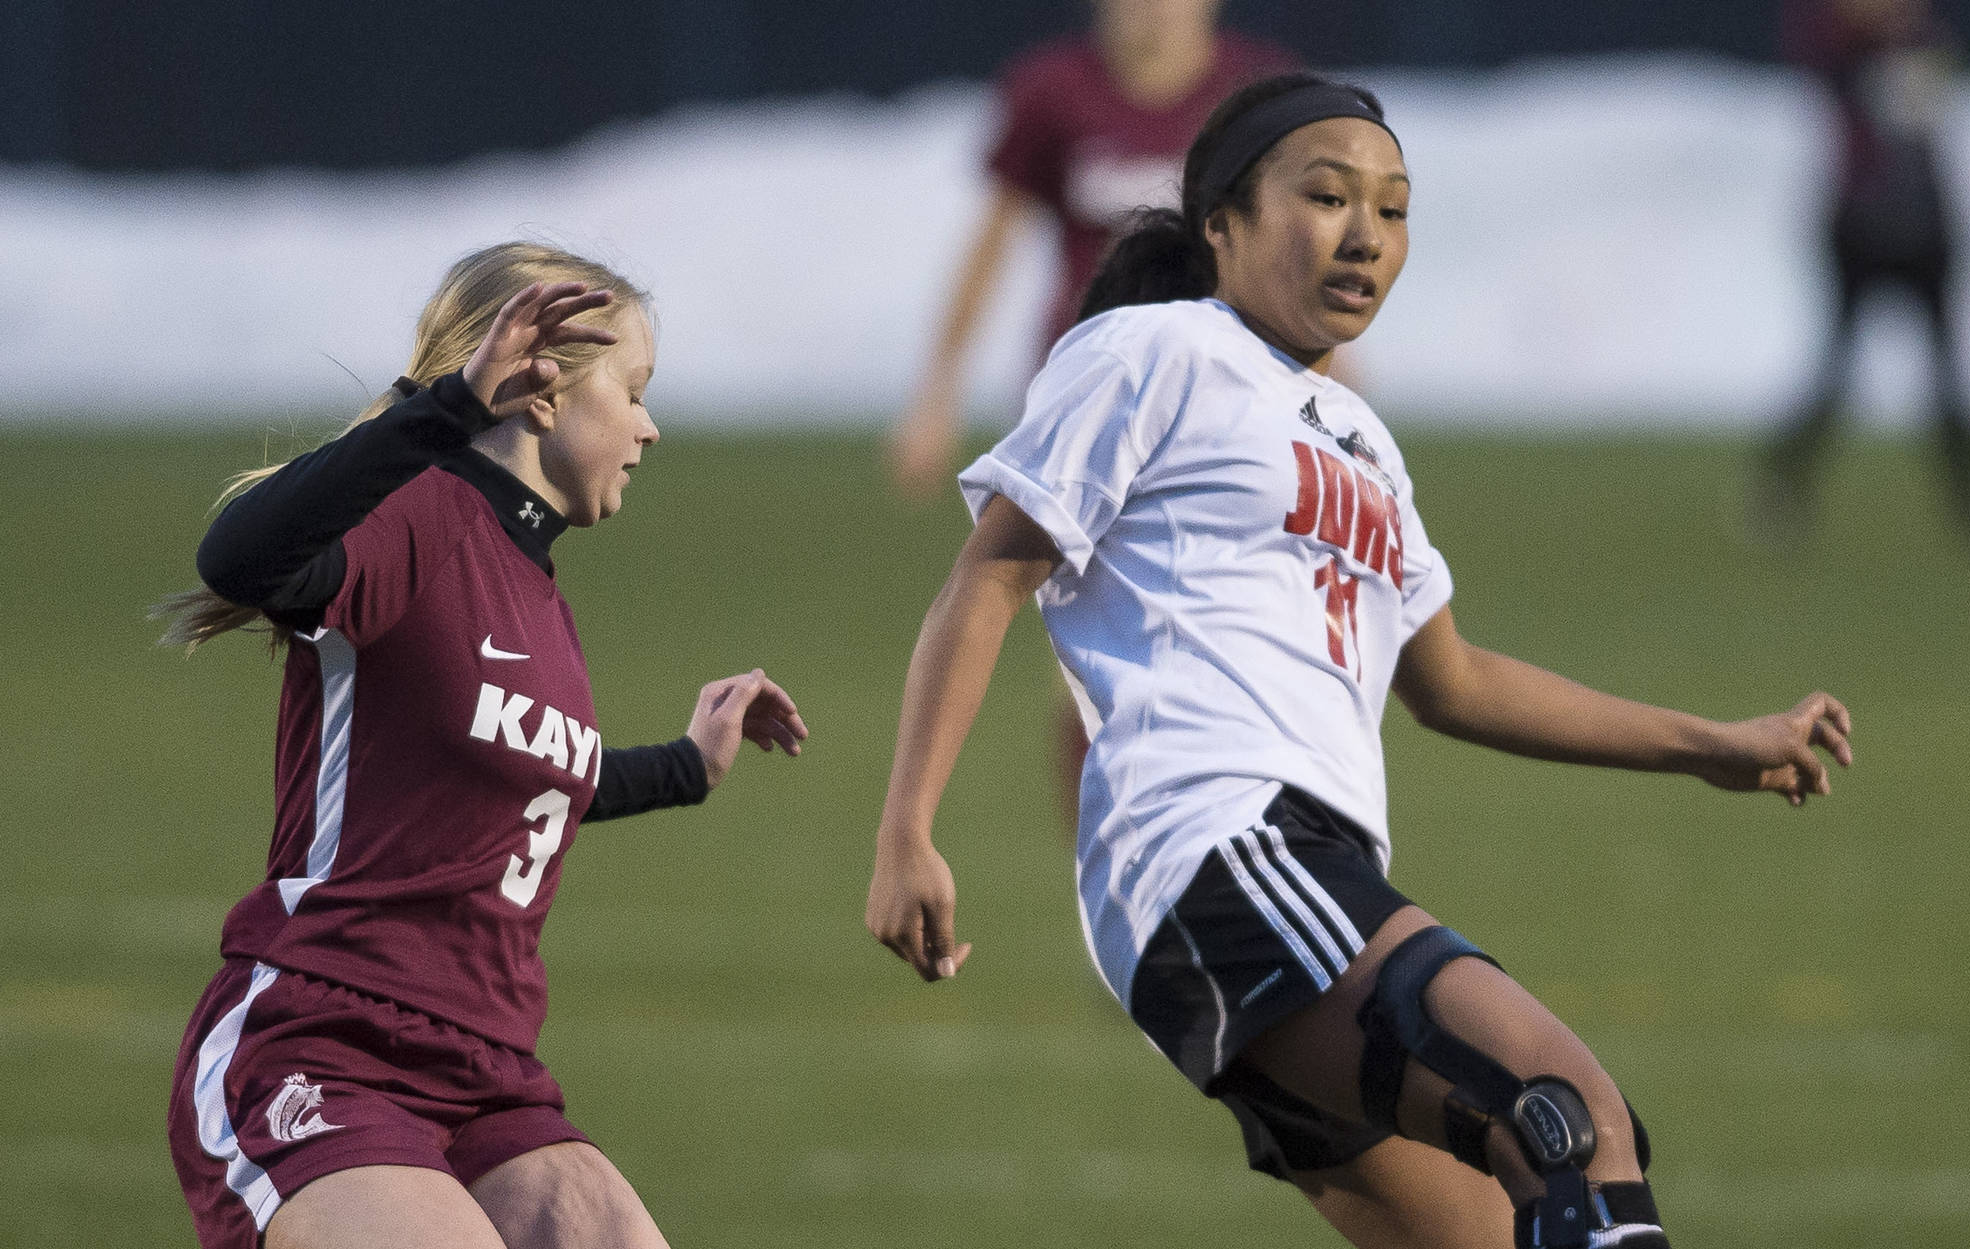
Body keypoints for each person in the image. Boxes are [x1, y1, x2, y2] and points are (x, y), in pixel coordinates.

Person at [865, 75, 1854, 1248]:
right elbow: (991, 570)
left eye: (1391, 209)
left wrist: (1712, 747)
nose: (1365, 234)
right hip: (1220, 848)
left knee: (1505, 1224)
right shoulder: (1153, 347)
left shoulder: (1360, 440)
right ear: (1219, 224)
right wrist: (906, 829)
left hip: (1299, 877)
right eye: (1325, 196)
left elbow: (1454, 682)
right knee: (1565, 1122)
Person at [158, 242, 808, 1249]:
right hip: (322, 1044)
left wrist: (688, 764)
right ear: (541, 395)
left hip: (483, 1076)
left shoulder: (535, 586)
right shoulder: (419, 516)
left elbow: (526, 781)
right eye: (632, 391)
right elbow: (239, 557)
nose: (649, 426)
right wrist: (445, 408)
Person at [889, 0, 1292, 498]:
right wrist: (938, 395)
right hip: (1085, 374)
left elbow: (1290, 246)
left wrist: (1328, 364)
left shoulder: (1260, 91)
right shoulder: (1052, 91)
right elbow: (991, 247)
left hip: (1224, 379)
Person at [1761, 0, 1970, 544]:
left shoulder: (1922, 42)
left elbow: (1936, 107)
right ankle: (1781, 483)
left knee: (1948, 380)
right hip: (1862, 229)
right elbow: (1820, 58)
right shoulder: (1840, 49)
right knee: (1837, 369)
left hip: (1924, 229)